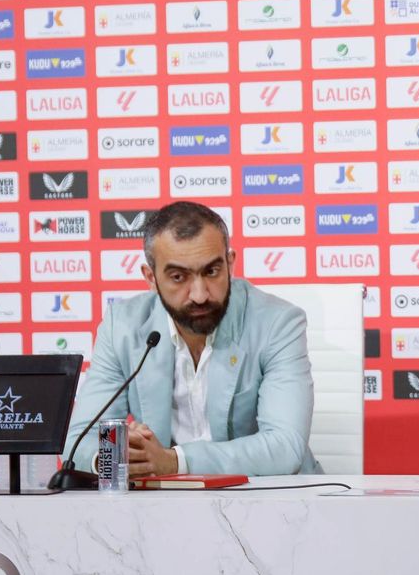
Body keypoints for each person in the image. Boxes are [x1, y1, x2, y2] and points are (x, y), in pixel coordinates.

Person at [66, 200, 320, 477]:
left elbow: (285, 447)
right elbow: (78, 441)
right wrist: (125, 455)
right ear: (150, 277)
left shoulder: (278, 323)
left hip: (271, 502)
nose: (200, 294)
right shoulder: (122, 328)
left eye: (212, 271)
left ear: (230, 263)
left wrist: (174, 461)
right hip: (166, 505)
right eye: (178, 277)